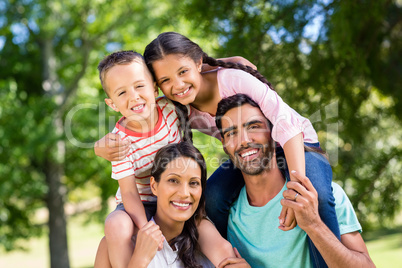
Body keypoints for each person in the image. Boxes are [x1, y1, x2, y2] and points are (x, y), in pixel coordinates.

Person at [96, 32, 339, 266]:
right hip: (247, 153)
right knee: (211, 197)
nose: (177, 85)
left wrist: (295, 187)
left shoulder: (230, 81)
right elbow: (153, 92)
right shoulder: (176, 103)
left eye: (183, 72)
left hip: (296, 143)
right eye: (166, 80)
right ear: (158, 85)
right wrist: (100, 146)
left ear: (198, 63)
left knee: (315, 194)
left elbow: (288, 123)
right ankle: (220, 255)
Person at [95, 50, 236, 267]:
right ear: (112, 104)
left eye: (139, 86)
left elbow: (192, 76)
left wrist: (229, 63)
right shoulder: (120, 142)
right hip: (139, 203)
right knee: (116, 225)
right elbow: (130, 193)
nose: (134, 96)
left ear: (154, 86)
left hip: (179, 195)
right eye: (121, 93)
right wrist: (146, 229)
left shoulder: (169, 107)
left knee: (211, 236)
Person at [215, 94, 375, 268]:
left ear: (274, 132)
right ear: (224, 143)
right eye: (231, 133)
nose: (244, 140)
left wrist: (314, 224)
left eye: (254, 127)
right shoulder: (228, 218)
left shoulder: (326, 195)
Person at [97, 142, 250, 267]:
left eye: (194, 183)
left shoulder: (206, 238)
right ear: (154, 186)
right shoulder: (117, 245)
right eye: (173, 180)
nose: (184, 193)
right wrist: (140, 260)